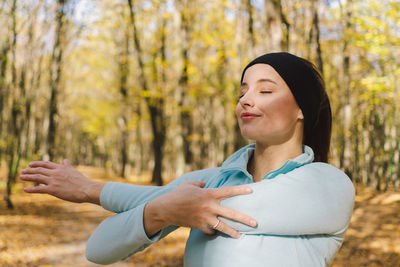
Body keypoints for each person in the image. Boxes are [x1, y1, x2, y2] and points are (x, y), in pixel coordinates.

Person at [20, 52, 355, 267]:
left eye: (265, 91)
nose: (247, 100)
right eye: (243, 92)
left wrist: (158, 206)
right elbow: (98, 249)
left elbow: (181, 203)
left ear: (302, 109)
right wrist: (154, 208)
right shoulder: (215, 180)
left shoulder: (327, 184)